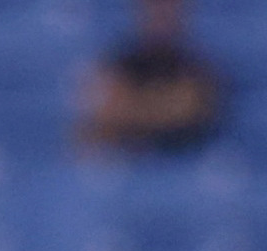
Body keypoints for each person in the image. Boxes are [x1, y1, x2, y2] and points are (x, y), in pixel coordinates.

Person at [77, 0, 224, 154]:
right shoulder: (117, 66)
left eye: (168, 9)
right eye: (154, 7)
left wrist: (132, 110)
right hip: (130, 159)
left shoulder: (198, 70)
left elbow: (194, 112)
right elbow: (99, 121)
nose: (161, 16)